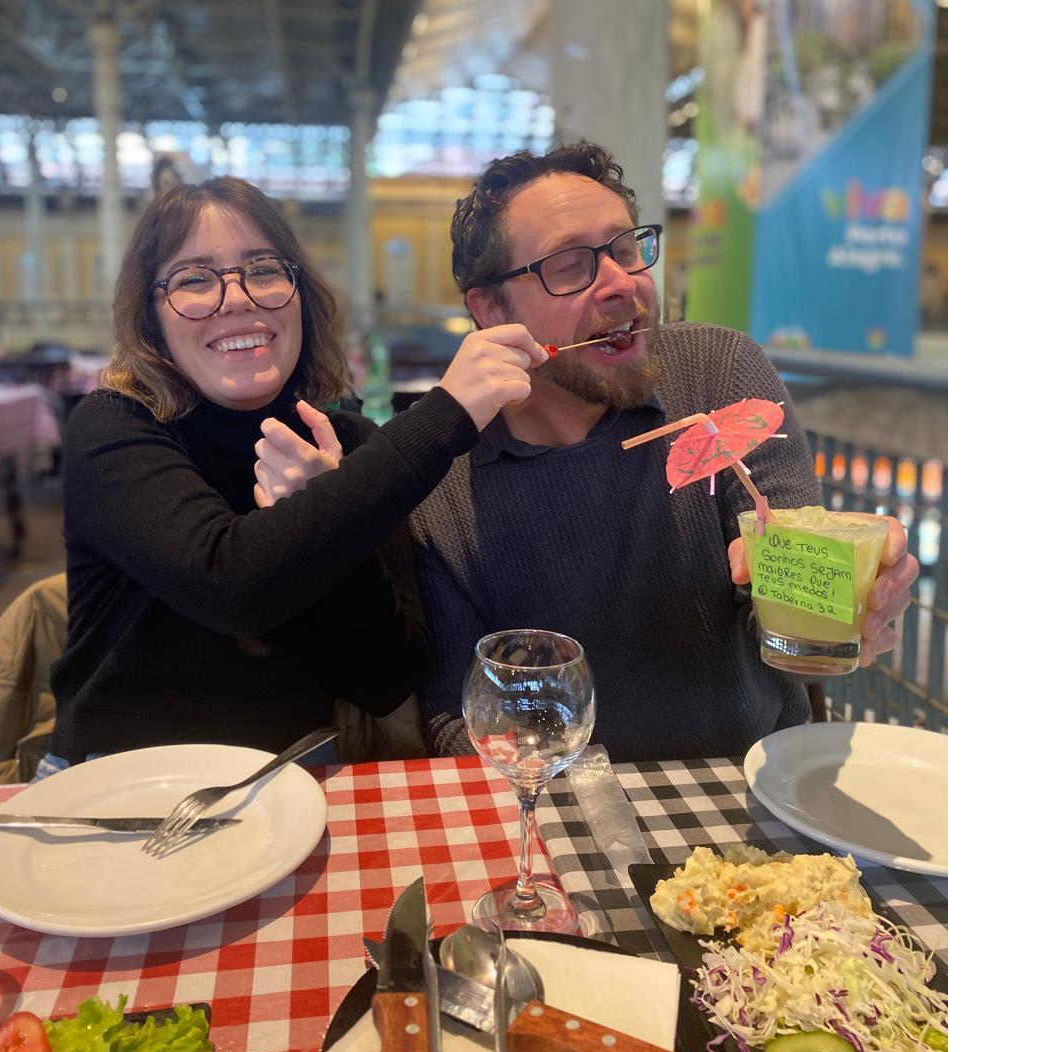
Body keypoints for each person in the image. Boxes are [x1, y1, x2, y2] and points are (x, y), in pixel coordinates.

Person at [407, 142, 920, 761]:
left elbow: (786, 618)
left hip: (752, 777)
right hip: (555, 796)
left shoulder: (718, 373)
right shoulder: (442, 482)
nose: (621, 282)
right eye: (570, 265)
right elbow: (454, 710)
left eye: (626, 249)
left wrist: (841, 609)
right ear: (492, 310)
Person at [48, 177, 548, 767]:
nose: (237, 299)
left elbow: (384, 681)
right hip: (116, 782)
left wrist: (324, 509)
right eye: (194, 279)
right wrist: (445, 415)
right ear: (151, 319)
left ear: (300, 296)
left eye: (263, 269)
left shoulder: (351, 445)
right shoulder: (115, 425)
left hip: (293, 780)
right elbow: (230, 586)